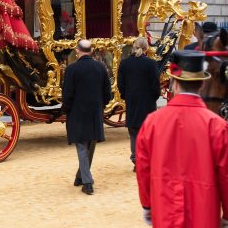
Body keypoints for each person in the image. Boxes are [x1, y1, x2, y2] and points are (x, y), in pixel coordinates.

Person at [136, 50, 228, 227]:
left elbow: (143, 169)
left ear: (174, 83)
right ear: (201, 85)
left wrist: (147, 205)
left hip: (165, 209)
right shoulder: (218, 126)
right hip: (204, 212)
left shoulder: (152, 122)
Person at [62, 39, 111, 195]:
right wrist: (101, 105)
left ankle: (87, 183)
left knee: (82, 147)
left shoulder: (72, 69)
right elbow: (107, 94)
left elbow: (67, 95)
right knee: (90, 146)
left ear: (78, 51)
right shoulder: (101, 68)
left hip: (77, 112)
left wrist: (66, 110)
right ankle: (80, 176)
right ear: (91, 51)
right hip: (95, 112)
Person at [117, 37, 160, 171]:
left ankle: (136, 158)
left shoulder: (125, 64)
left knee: (134, 132)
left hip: (132, 101)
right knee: (148, 133)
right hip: (148, 102)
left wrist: (126, 96)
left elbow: (120, 85)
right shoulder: (151, 64)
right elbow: (155, 86)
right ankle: (147, 158)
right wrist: (153, 97)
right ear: (146, 48)